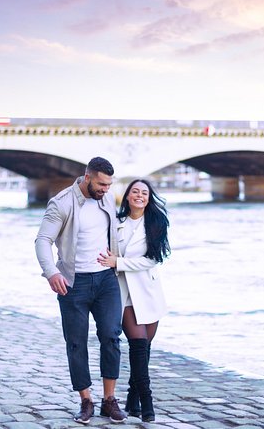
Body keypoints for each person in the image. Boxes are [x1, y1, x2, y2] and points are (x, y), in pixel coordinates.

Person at [34, 157, 127, 425]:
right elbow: (43, 240)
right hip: (73, 283)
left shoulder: (106, 198)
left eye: (109, 184)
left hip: (106, 280)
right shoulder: (61, 203)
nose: (106, 189)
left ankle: (109, 400)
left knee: (111, 335)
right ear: (87, 177)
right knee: (76, 343)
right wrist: (51, 272)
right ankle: (86, 400)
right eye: (101, 184)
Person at [97, 179, 170, 422]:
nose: (140, 196)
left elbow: (152, 258)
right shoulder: (115, 224)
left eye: (144, 193)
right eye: (135, 192)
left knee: (144, 349)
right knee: (138, 346)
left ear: (149, 198)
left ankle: (132, 399)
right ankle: (147, 403)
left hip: (148, 292)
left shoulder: (156, 222)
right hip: (124, 293)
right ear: (127, 196)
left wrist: (118, 262)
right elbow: (104, 254)